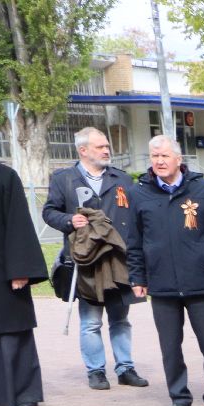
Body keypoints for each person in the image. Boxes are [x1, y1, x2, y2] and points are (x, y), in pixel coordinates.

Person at [125, 135, 204, 406]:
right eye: (154, 156)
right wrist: (138, 277)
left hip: (200, 280)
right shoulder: (139, 193)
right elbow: (134, 240)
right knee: (170, 347)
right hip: (162, 283)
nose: (159, 161)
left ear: (178, 159)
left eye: (164, 156)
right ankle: (179, 396)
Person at [42, 127, 150, 391]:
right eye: (100, 147)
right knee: (90, 322)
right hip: (86, 260)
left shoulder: (122, 178)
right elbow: (49, 212)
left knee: (120, 319)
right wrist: (69, 220)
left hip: (118, 259)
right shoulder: (64, 179)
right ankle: (96, 371)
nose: (106, 151)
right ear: (83, 150)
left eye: (107, 146)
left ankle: (125, 368)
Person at [0, 160, 47, 406]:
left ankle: (20, 394)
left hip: (1, 268)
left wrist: (21, 269)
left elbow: (18, 223)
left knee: (10, 330)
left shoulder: (4, 176)